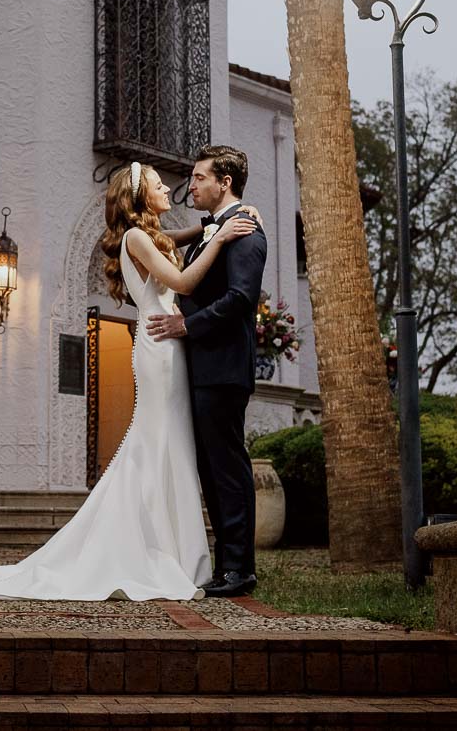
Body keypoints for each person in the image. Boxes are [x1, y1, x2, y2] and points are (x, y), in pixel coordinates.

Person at [0, 161, 256, 600]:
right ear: (140, 197)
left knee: (168, 442)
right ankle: (161, 551)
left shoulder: (145, 238)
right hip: (161, 347)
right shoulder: (137, 239)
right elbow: (183, 279)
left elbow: (176, 241)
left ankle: (174, 549)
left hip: (168, 346)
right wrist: (222, 238)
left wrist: (216, 226)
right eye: (160, 186)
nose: (170, 190)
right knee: (159, 442)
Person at [146, 145, 267, 598]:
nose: (190, 185)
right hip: (201, 369)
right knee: (210, 468)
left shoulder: (245, 233)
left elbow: (240, 298)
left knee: (227, 469)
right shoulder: (218, 229)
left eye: (198, 178)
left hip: (222, 369)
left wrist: (185, 324)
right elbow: (161, 238)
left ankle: (240, 569)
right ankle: (226, 566)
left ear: (224, 183)